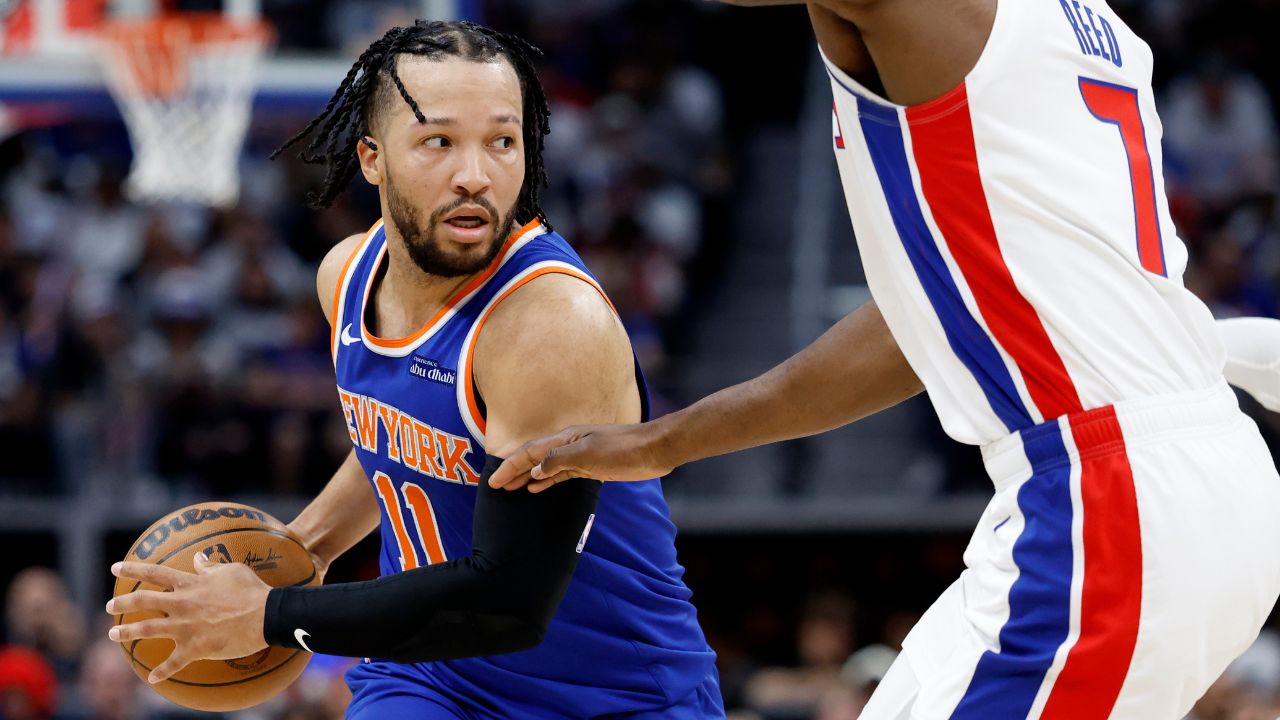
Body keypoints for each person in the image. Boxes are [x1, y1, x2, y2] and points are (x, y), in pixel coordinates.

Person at [489, 2, 1280, 718]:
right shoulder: (1097, 28)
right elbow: (923, 321)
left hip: (1112, 495)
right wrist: (668, 441)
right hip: (1184, 476)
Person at [105, 20, 721, 719]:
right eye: (439, 141)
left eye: (502, 141)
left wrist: (273, 613)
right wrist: (302, 545)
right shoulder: (345, 278)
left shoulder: (547, 326)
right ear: (373, 158)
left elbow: (506, 604)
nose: (475, 174)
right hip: (431, 679)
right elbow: (395, 443)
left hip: (612, 695)